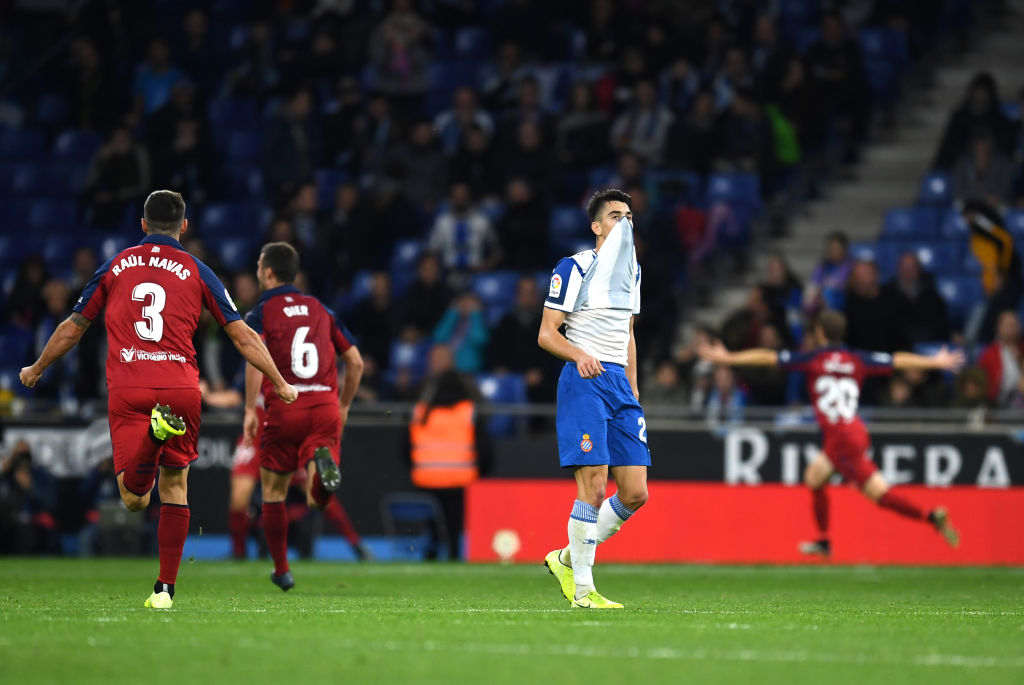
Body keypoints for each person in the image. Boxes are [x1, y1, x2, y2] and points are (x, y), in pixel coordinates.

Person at [20, 190, 298, 609]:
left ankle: (153, 437)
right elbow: (241, 333)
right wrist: (279, 380)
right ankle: (164, 590)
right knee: (175, 484)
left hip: (130, 386)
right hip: (180, 389)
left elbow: (73, 328)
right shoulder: (198, 269)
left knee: (134, 498)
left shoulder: (116, 265)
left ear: (143, 225)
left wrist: (37, 367)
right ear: (183, 227)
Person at [698, 310, 963, 557]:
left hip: (841, 439)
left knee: (879, 494)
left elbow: (768, 356)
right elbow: (898, 360)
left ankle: (930, 516)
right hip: (853, 430)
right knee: (814, 477)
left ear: (820, 333)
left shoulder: (814, 358)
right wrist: (935, 362)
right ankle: (824, 540)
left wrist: (728, 357)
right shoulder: (857, 358)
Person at [538, 189, 648, 609]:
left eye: (629, 216)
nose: (625, 223)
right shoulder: (575, 267)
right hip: (584, 379)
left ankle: (566, 557)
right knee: (596, 484)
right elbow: (547, 334)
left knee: (636, 491)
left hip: (619, 383)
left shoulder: (632, 272)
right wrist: (580, 353)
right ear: (597, 226)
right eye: (616, 216)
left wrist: (634, 388)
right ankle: (583, 590)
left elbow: (628, 333)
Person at [242, 242, 365, 591]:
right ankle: (322, 481)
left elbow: (253, 357)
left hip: (285, 406)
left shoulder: (262, 312)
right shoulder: (320, 309)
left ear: (267, 271)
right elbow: (355, 362)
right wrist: (343, 405)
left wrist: (251, 408)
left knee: (273, 490)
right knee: (314, 498)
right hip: (324, 406)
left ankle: (282, 569)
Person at [407, 345, 491, 559]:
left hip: (426, 474)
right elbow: (483, 440)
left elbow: (406, 442)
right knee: (453, 520)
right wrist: (480, 469)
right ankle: (453, 553)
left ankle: (432, 553)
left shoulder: (422, 403)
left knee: (434, 520)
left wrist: (415, 465)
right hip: (460, 475)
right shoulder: (466, 406)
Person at [977, 310, 1024, 407]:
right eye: (1007, 325)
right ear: (999, 327)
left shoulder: (1022, 349)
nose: (1011, 328)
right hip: (997, 401)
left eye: (1013, 324)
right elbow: (981, 381)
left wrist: (1018, 359)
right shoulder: (989, 354)